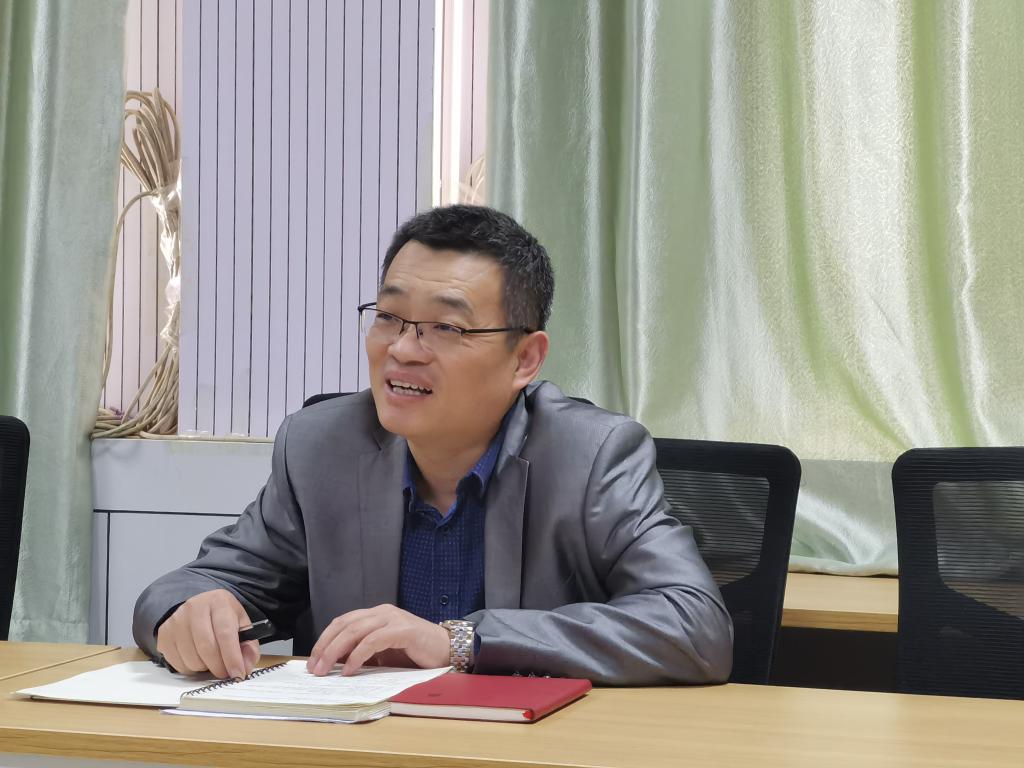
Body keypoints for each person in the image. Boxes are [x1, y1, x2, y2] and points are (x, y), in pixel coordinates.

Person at [133, 204, 732, 685]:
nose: (403, 349)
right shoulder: (322, 446)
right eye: (389, 317)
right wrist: (190, 612)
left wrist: (460, 641)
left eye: (446, 327)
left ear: (525, 358)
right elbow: (192, 585)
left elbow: (694, 625)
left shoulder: (591, 454)